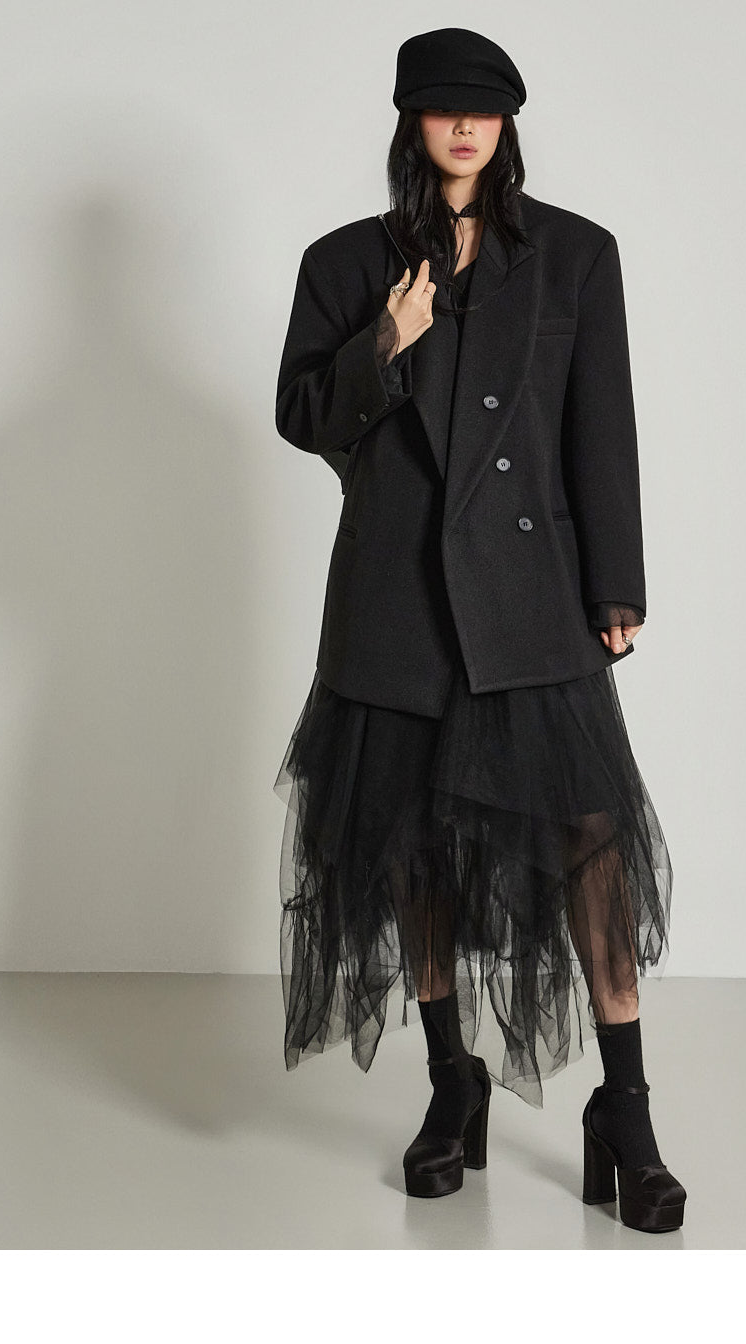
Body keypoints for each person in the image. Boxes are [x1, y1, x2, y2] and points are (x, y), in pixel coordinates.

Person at [272, 27, 687, 1232]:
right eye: (443, 109)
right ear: (411, 121)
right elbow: (301, 414)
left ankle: (625, 1110)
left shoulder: (572, 254)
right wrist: (381, 347)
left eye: (485, 111)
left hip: (527, 594)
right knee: (414, 845)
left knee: (591, 841)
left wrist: (614, 587)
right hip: (395, 596)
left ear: (506, 124)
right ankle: (452, 1079)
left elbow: (600, 422)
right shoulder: (346, 262)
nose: (463, 128)